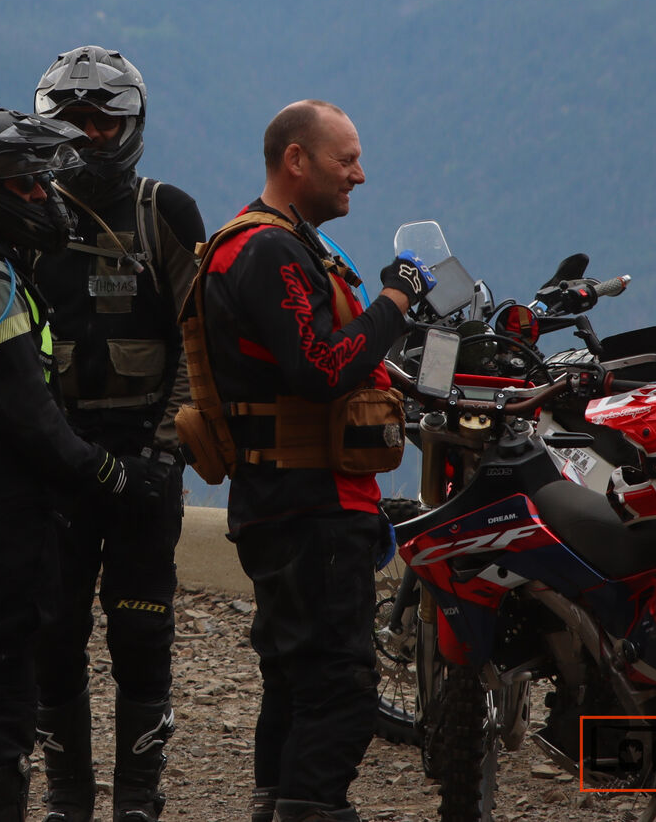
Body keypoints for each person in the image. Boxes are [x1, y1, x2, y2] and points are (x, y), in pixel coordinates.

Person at [0, 105, 172, 822]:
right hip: (0, 521)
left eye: (39, 180)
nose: (43, 194)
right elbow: (32, 416)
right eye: (23, 183)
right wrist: (116, 476)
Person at [199, 100, 433, 822]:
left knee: (295, 680)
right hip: (311, 504)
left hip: (281, 500)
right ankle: (310, 808)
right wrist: (395, 299)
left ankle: (276, 804)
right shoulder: (270, 251)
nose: (359, 175)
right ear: (295, 160)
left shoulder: (274, 244)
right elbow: (321, 366)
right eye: (346, 159)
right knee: (339, 686)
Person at [28, 47, 205, 822]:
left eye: (105, 121)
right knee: (53, 631)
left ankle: (137, 799)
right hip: (56, 458)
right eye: (73, 120)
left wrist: (165, 450)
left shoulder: (165, 211)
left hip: (144, 455)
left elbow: (197, 344)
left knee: (141, 629)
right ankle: (67, 797)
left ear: (132, 126)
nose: (90, 135)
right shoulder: (28, 215)